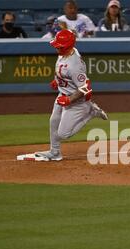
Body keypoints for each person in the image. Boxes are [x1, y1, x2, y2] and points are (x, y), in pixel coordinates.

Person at [34, 29, 108, 161]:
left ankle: (91, 112)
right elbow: (60, 69)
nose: (56, 47)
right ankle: (55, 152)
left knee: (63, 134)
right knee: (53, 121)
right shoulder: (64, 53)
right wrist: (57, 81)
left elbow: (86, 88)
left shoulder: (75, 65)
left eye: (60, 46)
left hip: (77, 101)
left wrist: (69, 99)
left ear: (67, 46)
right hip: (63, 94)